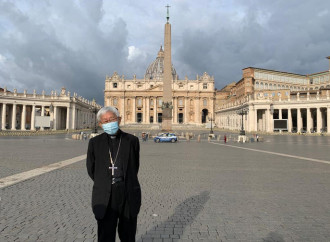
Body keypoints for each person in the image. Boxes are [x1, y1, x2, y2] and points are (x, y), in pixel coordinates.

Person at [86, 106, 141, 242]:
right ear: (100, 124)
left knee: (128, 235)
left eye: (112, 119)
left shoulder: (132, 141)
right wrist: (105, 181)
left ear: (119, 120)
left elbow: (135, 166)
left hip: (127, 192)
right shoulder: (95, 143)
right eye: (105, 121)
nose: (109, 123)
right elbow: (91, 168)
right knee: (105, 235)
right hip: (105, 194)